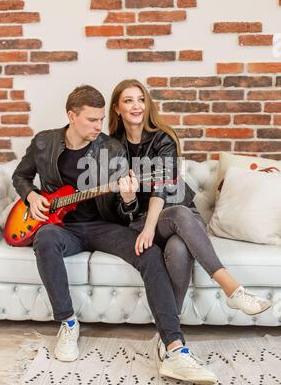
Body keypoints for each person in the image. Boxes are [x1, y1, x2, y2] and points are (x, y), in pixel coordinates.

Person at [12, 84, 217, 385]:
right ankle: (68, 323)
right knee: (45, 239)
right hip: (63, 227)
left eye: (100, 119)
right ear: (71, 115)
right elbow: (20, 176)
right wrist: (31, 196)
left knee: (149, 254)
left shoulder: (112, 149)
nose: (99, 126)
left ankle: (174, 347)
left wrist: (129, 199)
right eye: (92, 120)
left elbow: (126, 213)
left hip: (103, 226)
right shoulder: (44, 142)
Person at [108, 79, 271, 361]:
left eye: (141, 99)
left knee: (179, 247)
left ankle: (169, 333)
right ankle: (232, 288)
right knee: (179, 216)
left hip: (176, 216)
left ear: (147, 105)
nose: (136, 106)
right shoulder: (111, 148)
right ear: (117, 108)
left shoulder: (163, 138)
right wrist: (129, 200)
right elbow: (120, 206)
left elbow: (162, 186)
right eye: (128, 100)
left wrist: (149, 229)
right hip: (141, 220)